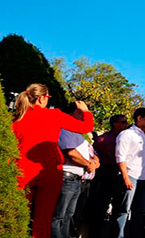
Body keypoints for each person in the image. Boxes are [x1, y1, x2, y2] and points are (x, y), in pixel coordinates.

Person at [11, 84, 94, 238]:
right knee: (43, 218)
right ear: (42, 98)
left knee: (17, 214)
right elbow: (87, 126)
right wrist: (86, 112)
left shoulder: (17, 118)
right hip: (49, 171)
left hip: (21, 171)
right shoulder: (54, 115)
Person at [52, 102, 101, 238]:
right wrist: (87, 164)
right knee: (59, 216)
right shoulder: (65, 130)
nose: (83, 115)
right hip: (67, 177)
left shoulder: (79, 135)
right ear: (72, 113)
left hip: (77, 179)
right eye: (81, 112)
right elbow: (72, 153)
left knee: (69, 215)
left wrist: (94, 162)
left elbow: (92, 152)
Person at [113, 107, 145, 238]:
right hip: (131, 176)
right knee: (123, 210)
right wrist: (125, 177)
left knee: (140, 211)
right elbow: (120, 157)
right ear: (139, 118)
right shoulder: (126, 134)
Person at [89, 114, 128, 238]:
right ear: (115, 124)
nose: (126, 124)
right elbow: (95, 155)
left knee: (119, 207)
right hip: (105, 173)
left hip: (121, 173)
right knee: (101, 205)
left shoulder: (127, 138)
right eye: (123, 122)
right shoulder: (103, 139)